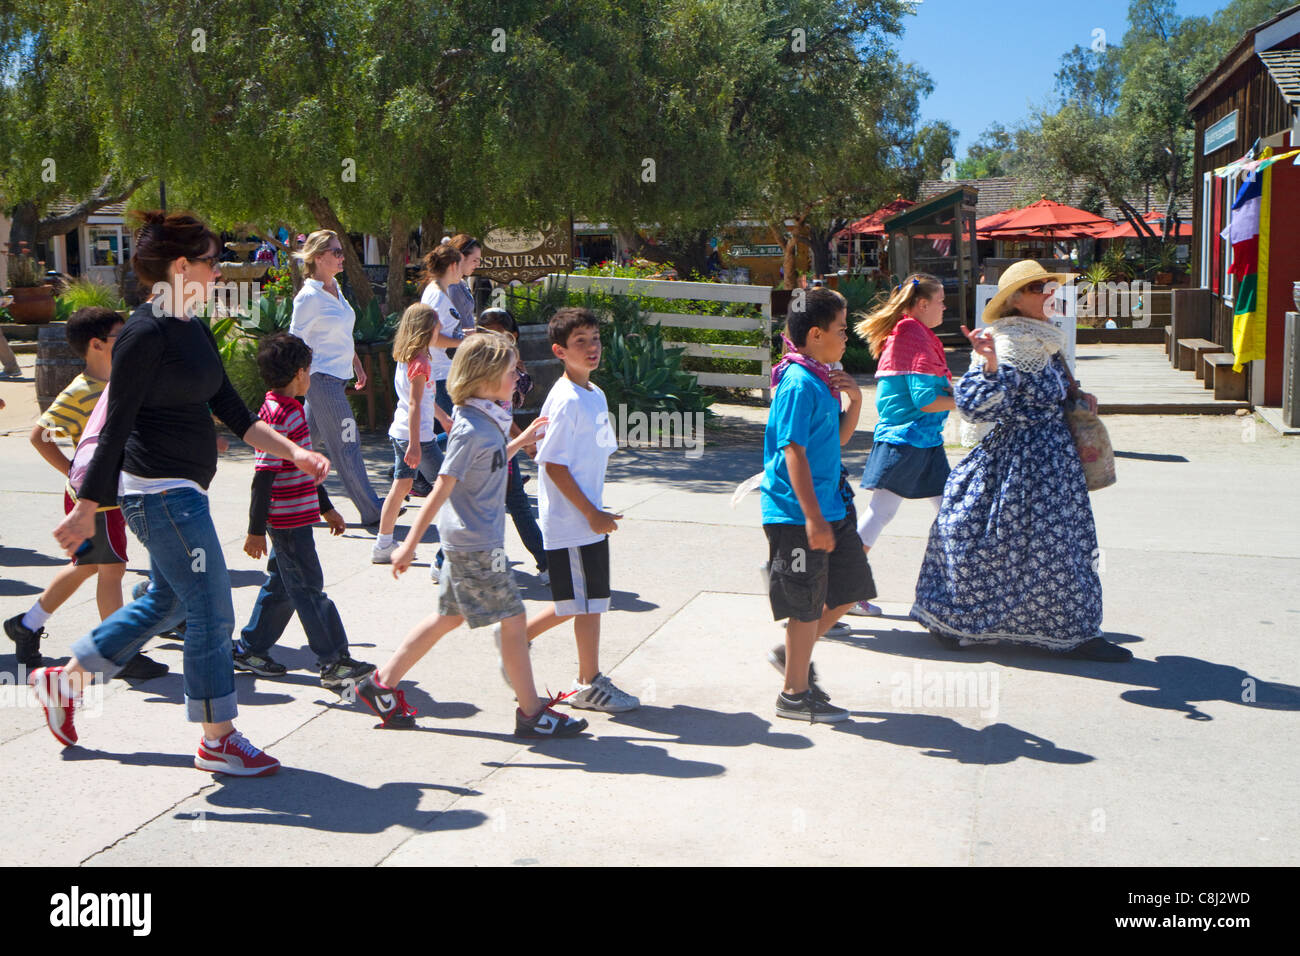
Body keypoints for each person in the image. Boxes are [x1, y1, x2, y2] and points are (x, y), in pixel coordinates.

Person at [35, 210, 331, 776]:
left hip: (183, 490)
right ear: (180, 266)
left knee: (166, 600)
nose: (218, 272)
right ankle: (217, 736)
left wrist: (294, 451)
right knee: (213, 610)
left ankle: (65, 681)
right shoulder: (143, 335)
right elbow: (116, 424)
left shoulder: (192, 327)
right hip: (158, 493)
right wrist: (88, 509)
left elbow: (234, 411)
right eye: (211, 261)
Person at [351, 332, 582, 736]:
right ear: (485, 375)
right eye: (512, 372)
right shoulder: (472, 426)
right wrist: (407, 544)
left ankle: (379, 685)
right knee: (513, 620)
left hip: (471, 541)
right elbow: (443, 484)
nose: (517, 379)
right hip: (476, 544)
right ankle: (531, 713)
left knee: (447, 617)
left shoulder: (484, 420)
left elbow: (485, 464)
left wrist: (519, 442)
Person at [911, 260, 1129, 662]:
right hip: (1013, 461)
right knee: (986, 540)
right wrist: (990, 364)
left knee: (1060, 546)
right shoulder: (1006, 342)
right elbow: (975, 408)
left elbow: (1048, 394)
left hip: (1054, 462)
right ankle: (958, 620)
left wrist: (1077, 399)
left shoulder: (1046, 340)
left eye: (1049, 285)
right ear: (1014, 299)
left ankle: (1071, 632)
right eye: (1039, 288)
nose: (1049, 293)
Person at [7, 307, 166, 680]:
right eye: (119, 337)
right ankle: (119, 652)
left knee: (90, 566)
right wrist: (76, 477)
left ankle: (27, 624)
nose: (128, 343)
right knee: (112, 568)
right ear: (97, 345)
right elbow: (39, 435)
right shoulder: (81, 391)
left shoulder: (120, 382)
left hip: (106, 497)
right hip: (97, 500)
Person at [511, 307, 639, 713]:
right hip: (572, 521)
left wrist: (596, 512)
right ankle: (518, 645)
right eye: (579, 342)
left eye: (595, 339)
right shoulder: (566, 399)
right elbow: (552, 463)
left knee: (592, 601)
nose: (591, 348)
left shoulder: (594, 393)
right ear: (559, 351)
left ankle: (590, 678)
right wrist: (590, 513)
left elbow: (591, 454)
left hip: (589, 518)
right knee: (575, 603)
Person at [233, 332, 376, 690]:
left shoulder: (284, 409)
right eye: (310, 370)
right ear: (300, 373)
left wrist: (326, 509)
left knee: (284, 585)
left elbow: (304, 469)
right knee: (310, 590)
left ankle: (251, 648)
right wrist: (254, 529)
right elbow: (263, 478)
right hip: (286, 521)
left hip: (294, 516)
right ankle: (334, 661)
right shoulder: (281, 416)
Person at [761, 287, 870, 722]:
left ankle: (791, 655)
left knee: (851, 590)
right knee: (804, 605)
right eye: (841, 330)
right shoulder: (799, 383)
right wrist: (811, 519)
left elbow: (840, 439)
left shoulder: (822, 377)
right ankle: (794, 694)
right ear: (814, 334)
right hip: (798, 515)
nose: (847, 338)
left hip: (831, 508)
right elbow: (793, 452)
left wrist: (856, 401)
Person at [852, 274, 953, 611]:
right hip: (907, 440)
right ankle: (841, 588)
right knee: (887, 513)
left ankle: (958, 594)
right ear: (922, 305)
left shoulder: (913, 333)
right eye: (940, 300)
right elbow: (925, 400)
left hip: (919, 440)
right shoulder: (913, 335)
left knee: (948, 513)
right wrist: (969, 398)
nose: (944, 306)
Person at [288, 229, 383, 527]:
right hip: (321, 380)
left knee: (302, 446)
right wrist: (297, 382)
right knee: (347, 443)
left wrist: (357, 365)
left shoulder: (336, 289)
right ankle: (373, 510)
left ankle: (277, 496)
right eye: (336, 252)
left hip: (336, 378)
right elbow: (294, 341)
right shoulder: (308, 298)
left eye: (342, 251)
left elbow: (342, 334)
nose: (343, 256)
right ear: (318, 257)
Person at [372, 303, 453, 564]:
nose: (440, 328)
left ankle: (383, 544)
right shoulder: (420, 362)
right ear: (426, 329)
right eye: (437, 324)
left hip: (402, 432)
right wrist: (416, 445)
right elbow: (416, 405)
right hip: (417, 437)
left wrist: (442, 417)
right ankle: (448, 557)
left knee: (401, 486)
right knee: (449, 490)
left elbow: (422, 398)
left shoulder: (409, 356)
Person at [476, 307, 548, 583]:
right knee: (504, 504)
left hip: (500, 443)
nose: (492, 340)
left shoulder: (508, 362)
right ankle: (546, 560)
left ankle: (445, 561)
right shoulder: (485, 368)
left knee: (503, 504)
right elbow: (497, 413)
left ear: (513, 336)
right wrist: (524, 440)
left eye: (499, 335)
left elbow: (504, 411)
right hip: (488, 446)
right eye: (485, 334)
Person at [417, 243, 471, 433]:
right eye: (460, 264)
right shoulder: (437, 297)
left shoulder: (439, 291)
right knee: (451, 431)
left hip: (444, 369)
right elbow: (431, 336)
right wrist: (463, 342)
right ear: (452, 266)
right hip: (440, 372)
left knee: (450, 429)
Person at [445, 234, 482, 336]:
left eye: (479, 260)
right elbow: (457, 324)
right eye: (475, 260)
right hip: (457, 346)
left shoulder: (461, 283)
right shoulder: (452, 286)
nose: (478, 264)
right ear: (461, 257)